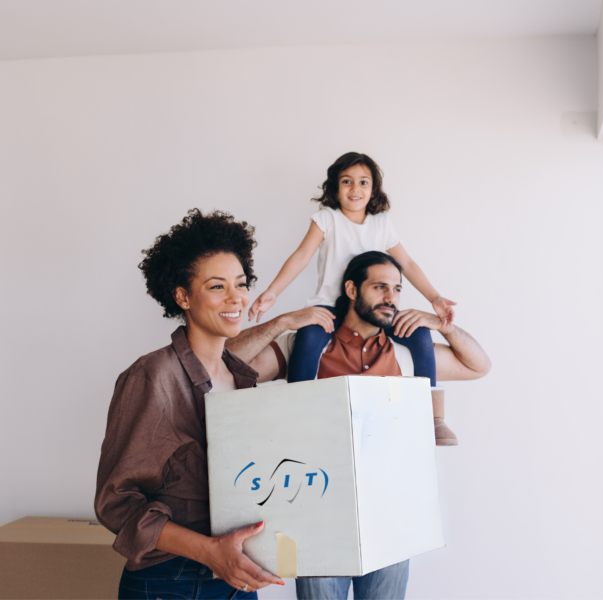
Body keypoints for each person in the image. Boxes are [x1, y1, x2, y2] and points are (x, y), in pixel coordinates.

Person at [94, 209, 334, 600]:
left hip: (235, 577)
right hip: (169, 580)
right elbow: (115, 503)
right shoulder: (152, 377)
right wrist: (210, 552)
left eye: (241, 284)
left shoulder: (241, 379)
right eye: (217, 287)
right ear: (182, 296)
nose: (236, 297)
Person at [225, 251, 490, 600]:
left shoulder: (406, 353)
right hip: (318, 516)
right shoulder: (309, 346)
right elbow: (226, 363)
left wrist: (444, 325)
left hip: (392, 514)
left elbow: (478, 366)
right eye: (380, 287)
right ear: (351, 289)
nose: (391, 298)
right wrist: (281, 323)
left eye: (396, 289)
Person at [245, 152, 461, 444]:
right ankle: (297, 414)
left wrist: (435, 298)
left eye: (363, 182)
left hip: (374, 309)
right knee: (307, 340)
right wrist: (272, 293)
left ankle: (433, 418)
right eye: (346, 182)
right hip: (330, 308)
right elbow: (301, 256)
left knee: (420, 334)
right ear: (335, 188)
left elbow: (407, 264)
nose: (355, 189)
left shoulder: (382, 223)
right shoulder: (327, 219)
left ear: (373, 190)